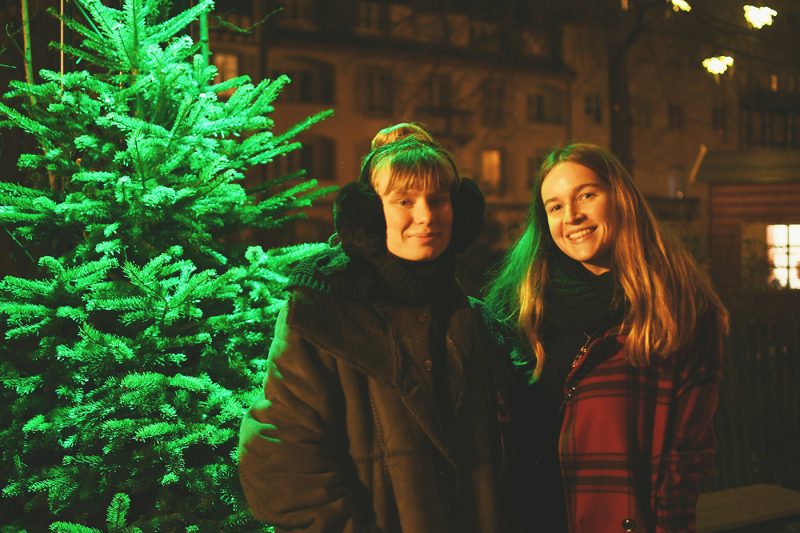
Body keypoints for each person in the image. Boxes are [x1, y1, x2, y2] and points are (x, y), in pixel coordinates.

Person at [239, 123, 516, 532]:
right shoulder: (321, 314)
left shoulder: (474, 321)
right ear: (366, 217)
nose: (425, 216)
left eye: (438, 200)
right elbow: (280, 460)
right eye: (404, 200)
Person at [485, 142, 728, 533]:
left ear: (621, 198)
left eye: (586, 195)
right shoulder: (518, 306)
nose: (573, 216)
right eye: (555, 206)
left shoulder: (682, 309)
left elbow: (688, 455)